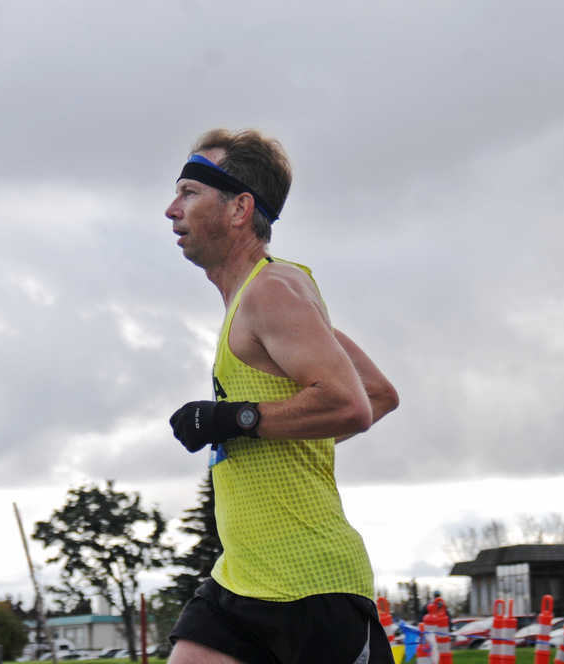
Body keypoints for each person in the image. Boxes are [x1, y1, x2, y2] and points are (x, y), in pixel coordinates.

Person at [164, 129, 400, 664]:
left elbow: (354, 405)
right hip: (244, 578)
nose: (171, 210)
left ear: (239, 208)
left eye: (189, 193)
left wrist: (238, 419)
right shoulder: (260, 295)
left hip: (309, 586)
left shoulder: (272, 291)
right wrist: (269, 429)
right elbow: (379, 393)